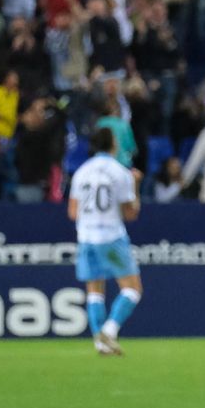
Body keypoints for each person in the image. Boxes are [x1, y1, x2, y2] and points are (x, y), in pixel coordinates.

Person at [68, 127, 144, 356]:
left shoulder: (81, 172)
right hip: (110, 237)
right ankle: (110, 331)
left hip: (86, 238)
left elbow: (73, 212)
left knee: (94, 290)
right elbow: (130, 214)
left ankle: (99, 342)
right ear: (113, 144)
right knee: (132, 289)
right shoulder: (120, 172)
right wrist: (136, 186)